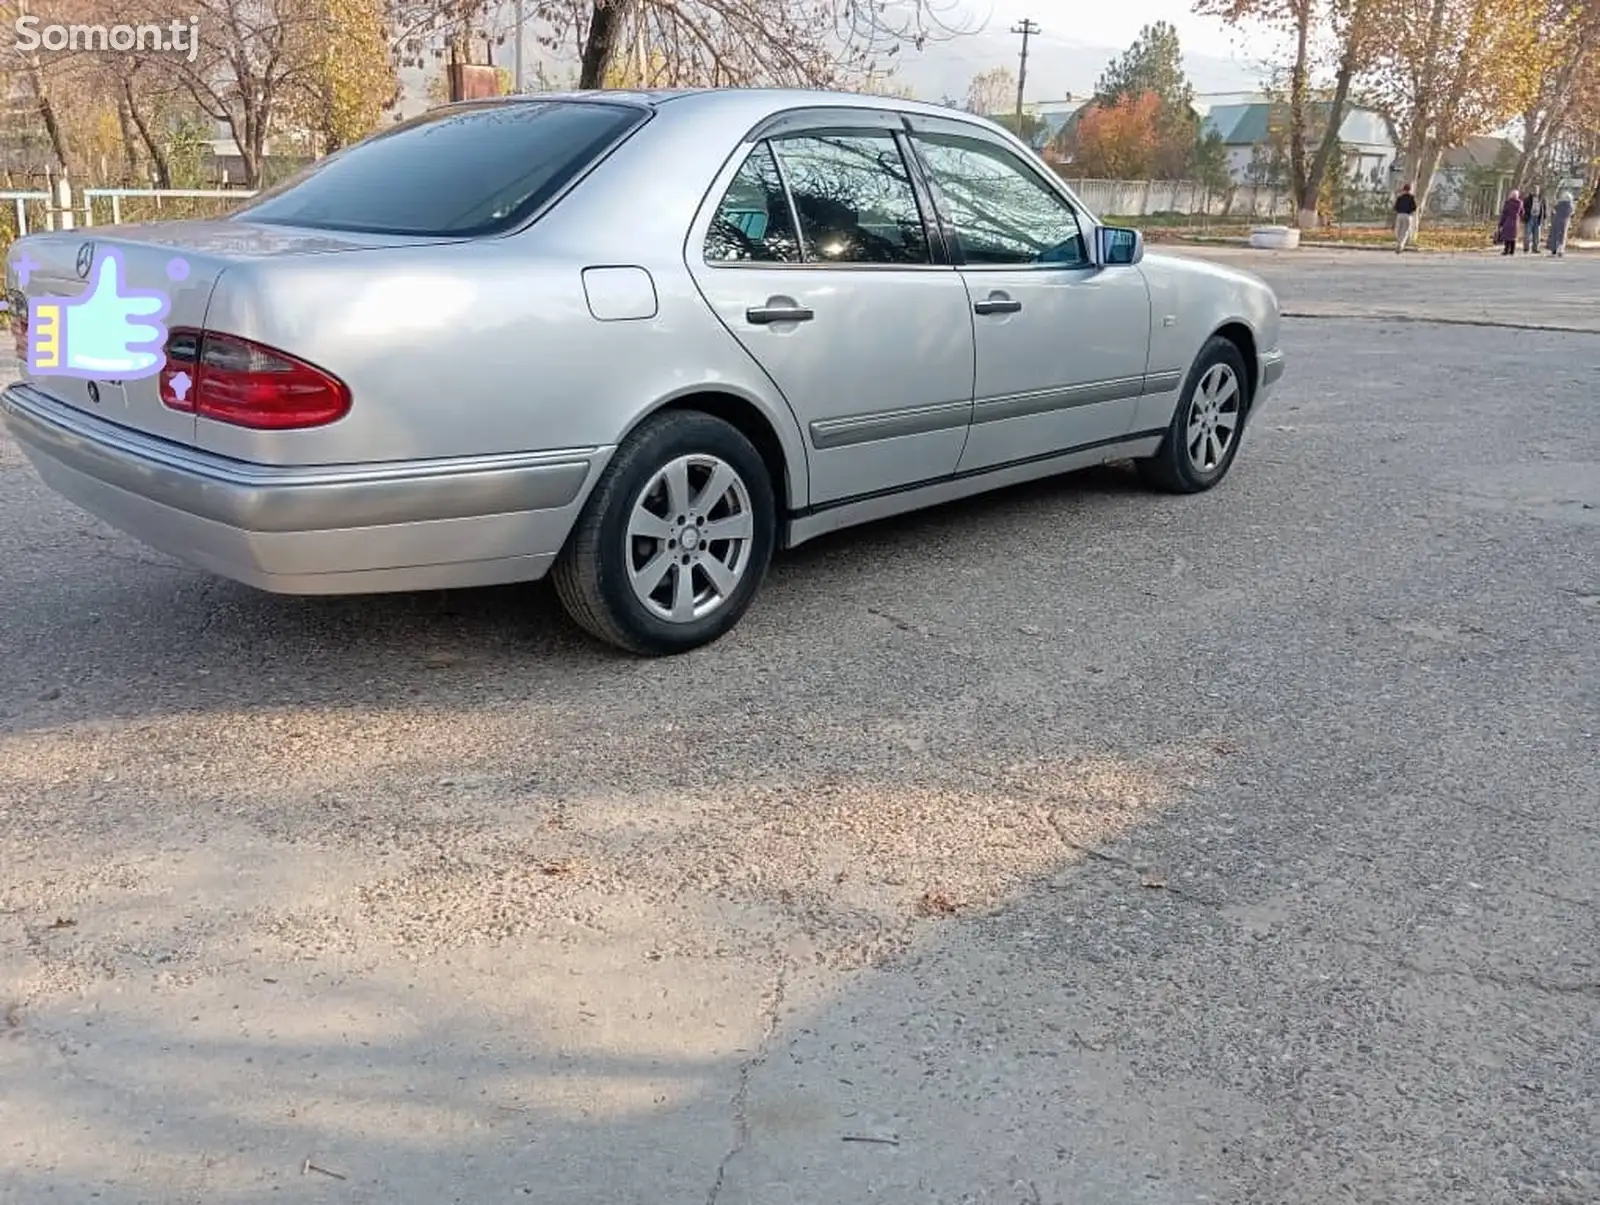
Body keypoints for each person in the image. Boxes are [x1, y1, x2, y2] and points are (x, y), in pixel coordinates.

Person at [1548, 190, 1574, 257]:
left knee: (1555, 235)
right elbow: (1571, 213)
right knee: (1562, 236)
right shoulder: (1569, 205)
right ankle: (1560, 250)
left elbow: (1554, 210)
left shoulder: (1559, 203)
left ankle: (1554, 250)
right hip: (1564, 222)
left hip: (1556, 221)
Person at [1394, 182, 1418, 253]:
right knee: (1405, 231)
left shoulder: (1399, 198)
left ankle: (1398, 243)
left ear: (1404, 190)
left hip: (1399, 215)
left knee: (1398, 230)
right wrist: (1410, 212)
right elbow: (1414, 208)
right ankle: (1401, 245)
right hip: (1408, 215)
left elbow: (1396, 207)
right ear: (1410, 190)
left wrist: (1399, 210)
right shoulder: (1412, 198)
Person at [1497, 189, 1523, 255]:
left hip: (1508, 220)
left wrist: (1501, 223)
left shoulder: (1508, 202)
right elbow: (1522, 212)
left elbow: (1504, 213)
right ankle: (1512, 251)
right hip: (1516, 221)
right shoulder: (1520, 203)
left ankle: (1506, 250)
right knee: (1513, 236)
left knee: (1507, 236)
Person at [1523, 185, 1547, 253]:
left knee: (1537, 234)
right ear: (1531, 191)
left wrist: (1544, 216)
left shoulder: (1542, 199)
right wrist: (1524, 216)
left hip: (1538, 218)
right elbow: (1523, 208)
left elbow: (1544, 208)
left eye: (1537, 190)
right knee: (1527, 233)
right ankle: (1526, 248)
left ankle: (1535, 248)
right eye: (1534, 190)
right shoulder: (1527, 199)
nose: (1535, 191)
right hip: (1530, 217)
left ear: (1539, 191)